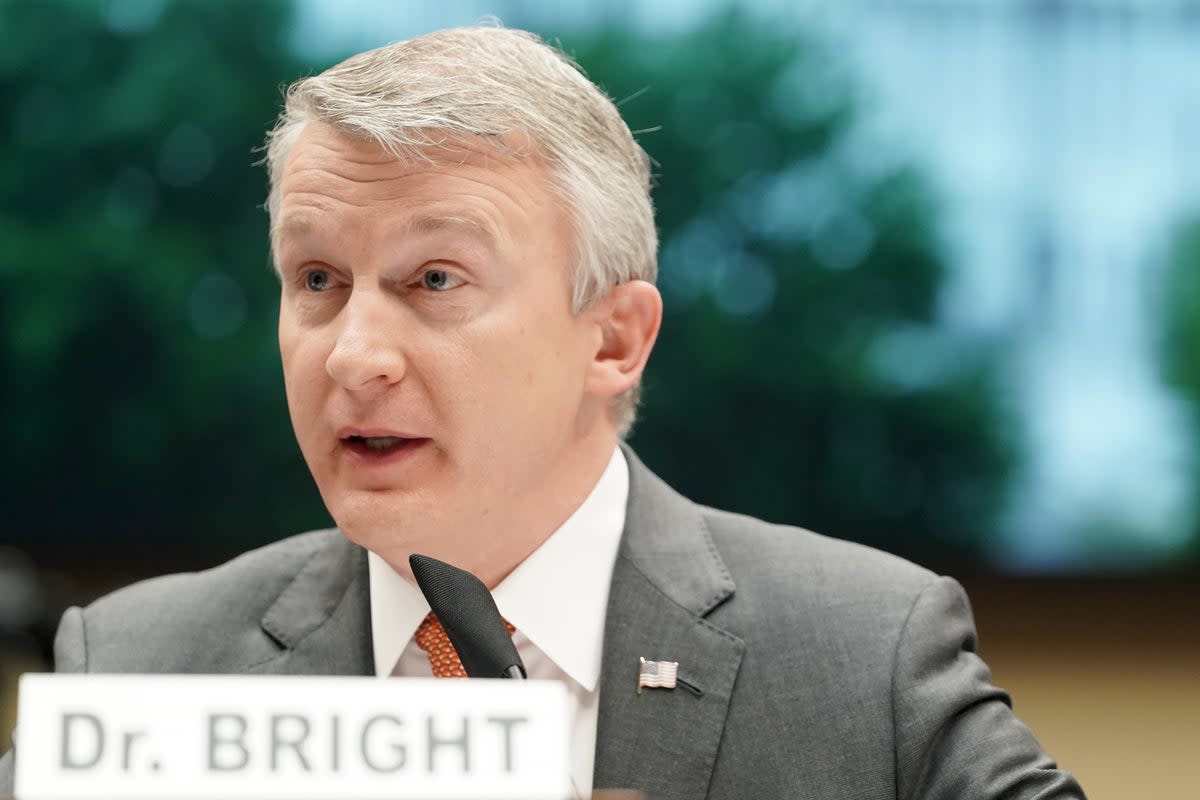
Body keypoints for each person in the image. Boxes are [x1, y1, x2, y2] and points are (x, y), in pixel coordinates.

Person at [0, 24, 1084, 800]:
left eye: (435, 280)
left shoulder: (865, 654)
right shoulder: (138, 665)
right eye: (318, 280)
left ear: (612, 338)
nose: (355, 355)